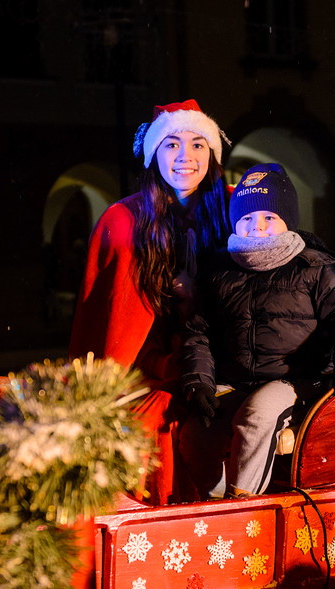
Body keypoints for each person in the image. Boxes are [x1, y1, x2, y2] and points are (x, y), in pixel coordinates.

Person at [68, 99, 232, 504]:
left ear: (212, 154)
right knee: (150, 424)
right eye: (172, 144)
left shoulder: (236, 207)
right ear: (154, 153)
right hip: (149, 367)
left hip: (227, 357)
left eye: (198, 144)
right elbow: (104, 321)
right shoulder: (122, 221)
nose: (185, 157)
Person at [181, 163, 335, 499]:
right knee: (195, 430)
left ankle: (242, 504)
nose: (257, 228)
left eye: (268, 218)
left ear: (287, 220)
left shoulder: (313, 268)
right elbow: (198, 332)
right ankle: (212, 505)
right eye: (246, 219)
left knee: (258, 414)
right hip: (236, 380)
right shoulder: (220, 272)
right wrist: (199, 380)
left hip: (296, 380)